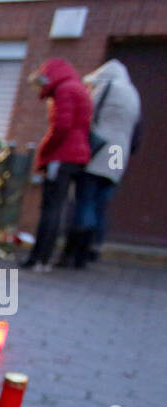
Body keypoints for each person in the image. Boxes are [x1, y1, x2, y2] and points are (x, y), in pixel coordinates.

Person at [59, 60, 141, 267]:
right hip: (118, 154)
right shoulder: (133, 94)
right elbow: (137, 132)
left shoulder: (107, 87)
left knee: (85, 199)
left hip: (101, 149)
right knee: (100, 204)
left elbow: (88, 115)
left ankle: (74, 252)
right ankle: (92, 249)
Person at [20, 59, 92, 271]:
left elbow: (61, 127)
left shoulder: (64, 90)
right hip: (75, 156)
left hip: (62, 156)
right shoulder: (77, 88)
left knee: (50, 209)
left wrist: (46, 151)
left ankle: (38, 258)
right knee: (58, 208)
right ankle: (44, 258)